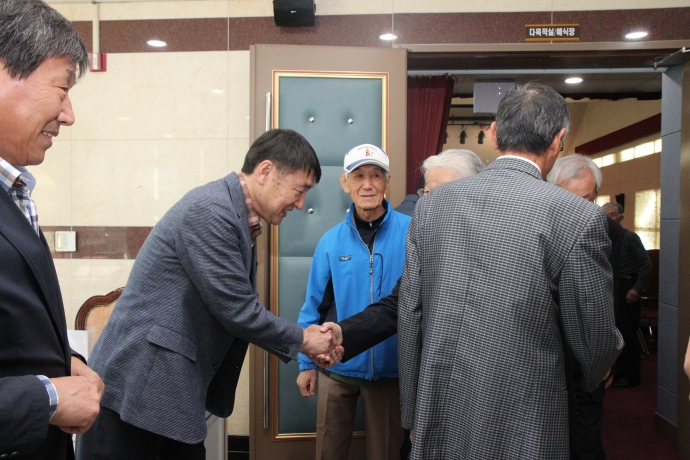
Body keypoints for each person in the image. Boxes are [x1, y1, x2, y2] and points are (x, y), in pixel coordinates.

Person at [76, 129, 343, 460]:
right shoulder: (211, 210)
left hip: (168, 391)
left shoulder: (238, 216)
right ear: (266, 171)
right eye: (299, 190)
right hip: (139, 390)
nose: (301, 204)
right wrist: (305, 340)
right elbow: (238, 311)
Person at [398, 82, 623, 459]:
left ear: (494, 133)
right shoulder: (577, 216)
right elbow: (594, 338)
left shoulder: (431, 206)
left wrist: (411, 410)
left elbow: (410, 314)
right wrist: (595, 372)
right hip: (527, 415)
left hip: (438, 404)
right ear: (558, 140)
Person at [0, 1, 104, 458]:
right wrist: (46, 398)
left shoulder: (14, 189)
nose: (69, 115)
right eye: (62, 89)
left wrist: (66, 362)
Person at [296, 144, 411, 460]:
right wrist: (307, 364)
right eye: (358, 176)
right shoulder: (331, 241)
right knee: (328, 451)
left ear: (388, 181)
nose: (368, 185)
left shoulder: (411, 233)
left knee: (386, 453)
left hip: (390, 373)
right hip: (336, 366)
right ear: (345, 182)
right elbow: (314, 305)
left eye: (376, 175)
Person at [547, 153, 624, 460]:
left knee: (585, 441)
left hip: (586, 359)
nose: (580, 209)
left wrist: (604, 358)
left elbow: (605, 300)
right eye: (570, 200)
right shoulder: (536, 227)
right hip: (547, 357)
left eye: (587, 200)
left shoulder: (609, 231)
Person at [602, 202, 652, 387]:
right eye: (604, 215)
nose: (608, 219)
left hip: (627, 289)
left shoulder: (630, 237)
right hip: (610, 288)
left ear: (621, 218)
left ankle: (629, 376)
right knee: (611, 333)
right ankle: (612, 373)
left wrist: (637, 289)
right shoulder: (603, 238)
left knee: (626, 333)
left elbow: (646, 264)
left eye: (611, 215)